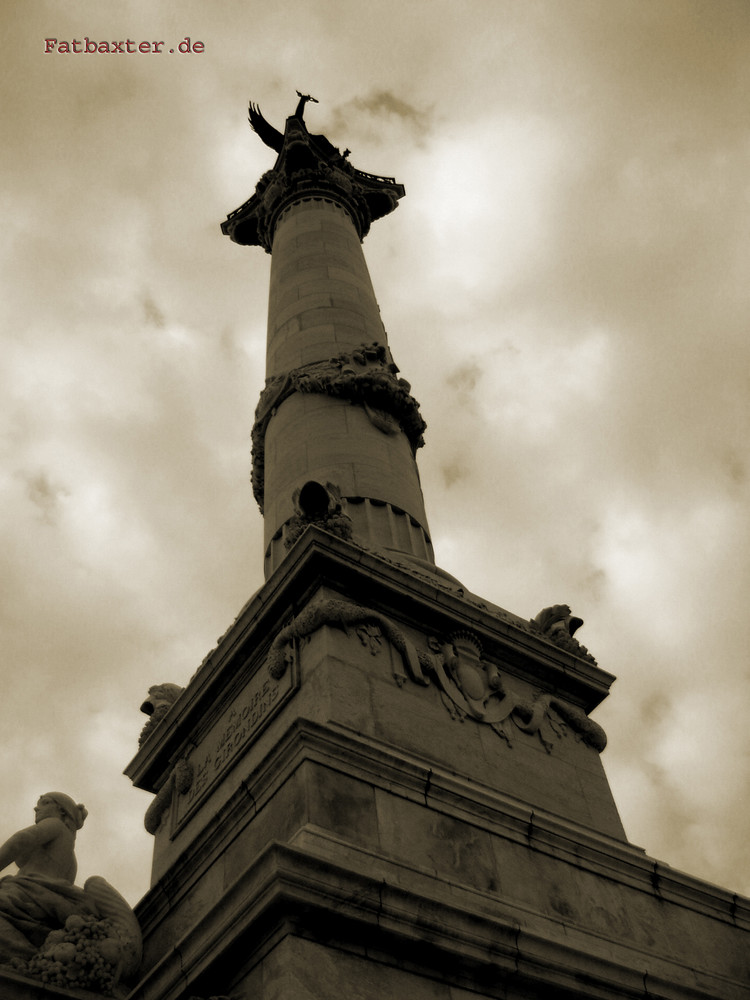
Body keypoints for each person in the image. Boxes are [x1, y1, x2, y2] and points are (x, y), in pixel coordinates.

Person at [0, 793, 93, 962]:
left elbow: (20, 840)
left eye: (44, 803)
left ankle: (27, 957)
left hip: (26, 895)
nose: (36, 808)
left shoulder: (55, 825)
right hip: (42, 904)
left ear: (62, 812)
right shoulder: (71, 859)